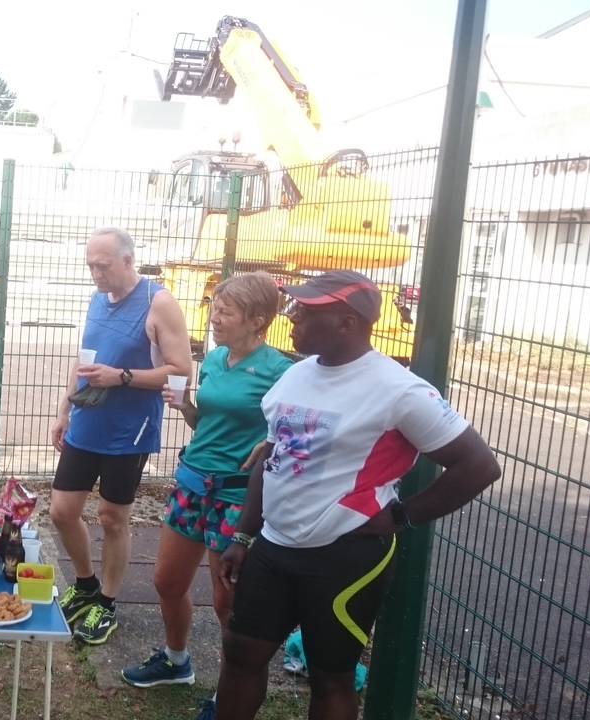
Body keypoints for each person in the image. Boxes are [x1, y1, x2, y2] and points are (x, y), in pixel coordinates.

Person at [215, 270, 502, 720]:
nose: (291, 317)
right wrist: (244, 535)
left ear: (346, 323)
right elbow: (272, 458)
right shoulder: (296, 375)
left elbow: (479, 465)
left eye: (304, 310)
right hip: (275, 545)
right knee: (240, 655)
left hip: (344, 553)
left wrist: (401, 515)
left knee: (330, 676)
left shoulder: (399, 389)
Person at [121, 273, 293, 709]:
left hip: (236, 496)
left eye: (225, 312)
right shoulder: (214, 359)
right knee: (166, 581)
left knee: (225, 601)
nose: (213, 318)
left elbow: (293, 432)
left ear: (256, 320)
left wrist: (271, 442)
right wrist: (186, 408)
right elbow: (207, 423)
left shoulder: (281, 371)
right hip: (192, 483)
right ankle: (176, 661)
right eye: (215, 309)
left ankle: (228, 691)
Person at [50, 227, 192, 645]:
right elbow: (83, 360)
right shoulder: (98, 298)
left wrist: (122, 377)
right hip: (87, 422)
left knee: (113, 518)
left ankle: (107, 604)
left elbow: (182, 370)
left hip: (129, 430)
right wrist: (64, 409)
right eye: (90, 266)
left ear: (128, 261)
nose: (96, 274)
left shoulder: (158, 301)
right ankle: (86, 584)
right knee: (61, 511)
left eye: (103, 266)